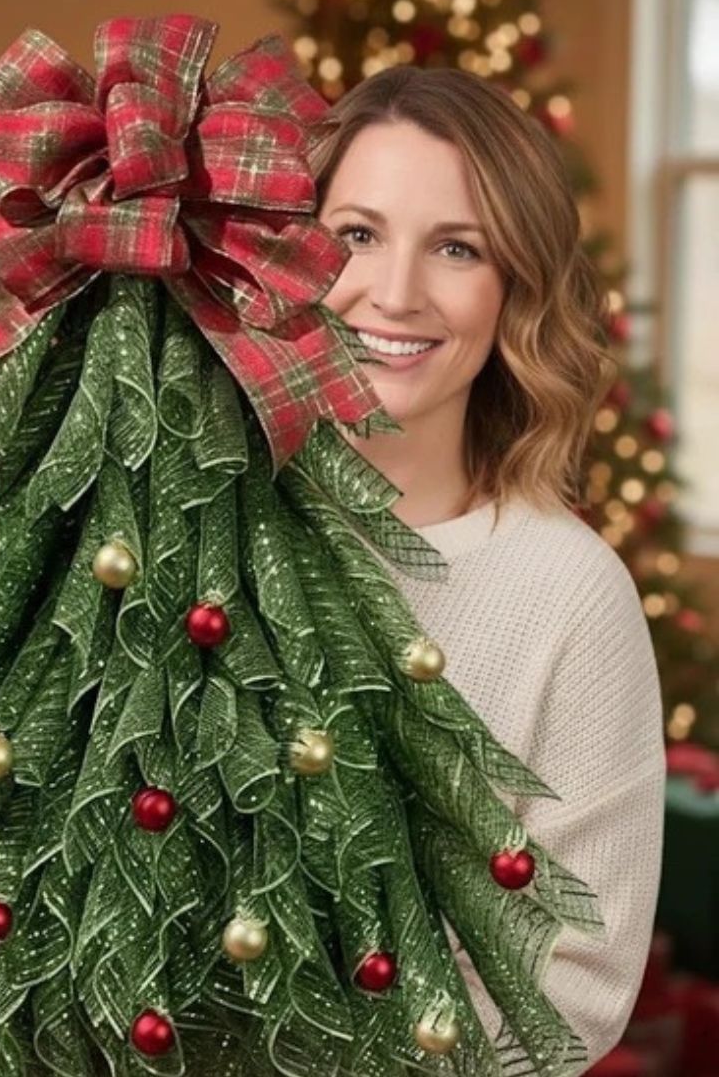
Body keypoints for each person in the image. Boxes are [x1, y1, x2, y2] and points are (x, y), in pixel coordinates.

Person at [313, 65, 667, 1070]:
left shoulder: (570, 594)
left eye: (456, 247)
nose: (394, 293)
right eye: (356, 234)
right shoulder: (186, 529)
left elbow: (573, 987)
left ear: (514, 287)